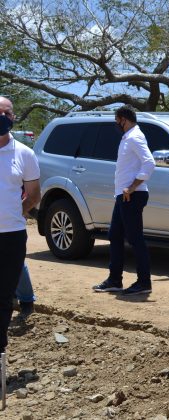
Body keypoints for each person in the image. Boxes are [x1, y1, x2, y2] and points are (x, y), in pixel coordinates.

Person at [92, 105, 155, 295]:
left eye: (116, 121)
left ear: (123, 119)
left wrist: (133, 186)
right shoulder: (128, 137)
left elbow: (149, 162)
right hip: (123, 195)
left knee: (135, 239)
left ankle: (144, 282)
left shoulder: (135, 137)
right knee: (115, 235)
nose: (116, 124)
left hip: (132, 195)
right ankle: (114, 280)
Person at [0, 96, 40, 353]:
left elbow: (35, 194)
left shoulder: (24, 154)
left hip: (11, 236)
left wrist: (18, 211)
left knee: (3, 297)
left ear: (13, 117)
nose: (3, 116)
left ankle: (0, 350)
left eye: (7, 112)